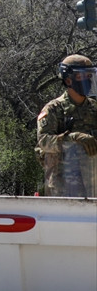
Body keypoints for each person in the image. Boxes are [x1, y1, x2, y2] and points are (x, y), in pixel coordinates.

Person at [36, 54, 97, 197]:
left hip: (92, 184)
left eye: (90, 76)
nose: (88, 80)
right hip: (62, 185)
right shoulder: (53, 109)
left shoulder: (94, 108)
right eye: (83, 76)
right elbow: (44, 141)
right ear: (69, 80)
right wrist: (73, 138)